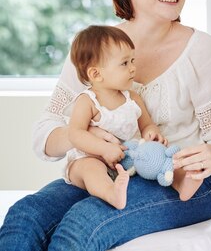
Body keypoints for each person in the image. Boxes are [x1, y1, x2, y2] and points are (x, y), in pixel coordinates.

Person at [0, 0, 211, 250]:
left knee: (82, 225)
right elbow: (44, 135)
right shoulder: (96, 48)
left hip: (179, 180)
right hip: (107, 171)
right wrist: (83, 136)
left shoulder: (201, 50)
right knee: (25, 216)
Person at [66, 25, 170, 210]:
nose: (132, 69)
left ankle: (174, 179)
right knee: (92, 169)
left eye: (132, 61)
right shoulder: (88, 101)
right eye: (124, 63)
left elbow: (147, 124)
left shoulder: (132, 98)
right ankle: (111, 194)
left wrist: (152, 134)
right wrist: (103, 149)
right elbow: (75, 133)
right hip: (89, 159)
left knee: (152, 161)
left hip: (125, 160)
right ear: (96, 74)